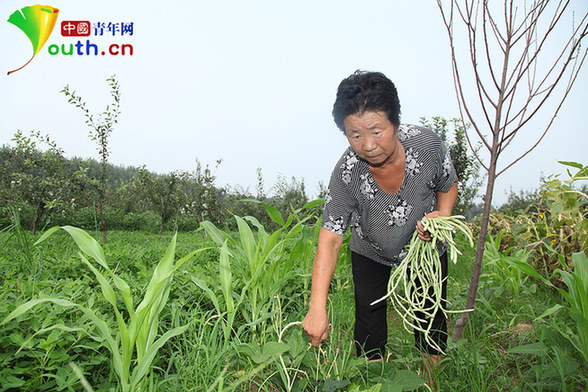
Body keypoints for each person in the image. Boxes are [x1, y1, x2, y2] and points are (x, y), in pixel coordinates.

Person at [302, 70, 458, 389]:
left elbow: (448, 182)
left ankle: (431, 384)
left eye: (376, 131)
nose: (368, 145)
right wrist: (316, 308)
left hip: (424, 249)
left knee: (430, 319)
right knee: (369, 325)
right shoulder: (347, 173)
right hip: (371, 251)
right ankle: (377, 384)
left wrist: (441, 215)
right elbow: (329, 241)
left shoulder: (427, 146)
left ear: (395, 124)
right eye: (355, 135)